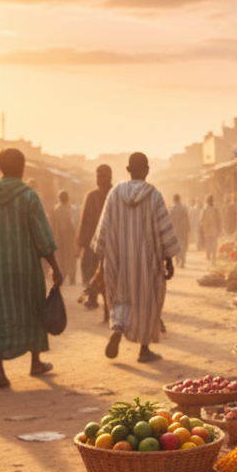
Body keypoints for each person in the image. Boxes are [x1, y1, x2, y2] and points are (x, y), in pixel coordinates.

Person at [0, 147, 63, 389]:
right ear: (22, 168)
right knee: (32, 310)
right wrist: (55, 267)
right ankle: (35, 362)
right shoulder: (29, 196)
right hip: (26, 268)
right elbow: (42, 235)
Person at [91, 151, 179, 364]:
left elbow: (104, 228)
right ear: (147, 170)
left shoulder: (114, 193)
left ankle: (118, 328)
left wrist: (101, 255)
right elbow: (164, 230)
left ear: (128, 170)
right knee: (147, 301)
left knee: (121, 297)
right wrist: (169, 260)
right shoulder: (154, 196)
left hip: (118, 259)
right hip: (147, 260)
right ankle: (144, 349)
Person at [77, 165, 112, 310]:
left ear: (109, 177)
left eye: (102, 176)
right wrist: (80, 243)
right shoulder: (91, 196)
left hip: (111, 244)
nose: (98, 179)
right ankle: (92, 298)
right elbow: (84, 220)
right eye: (97, 175)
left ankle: (109, 304)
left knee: (110, 275)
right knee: (90, 270)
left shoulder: (115, 194)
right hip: (92, 244)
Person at [50, 189, 78, 283]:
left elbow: (52, 224)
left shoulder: (56, 209)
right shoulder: (70, 209)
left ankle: (62, 275)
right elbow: (72, 224)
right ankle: (71, 277)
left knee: (61, 257)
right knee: (70, 257)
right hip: (68, 236)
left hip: (59, 237)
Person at [169, 193, 190, 268]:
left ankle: (177, 259)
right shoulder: (184, 209)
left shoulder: (172, 209)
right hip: (183, 230)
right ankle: (183, 261)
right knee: (183, 245)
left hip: (175, 231)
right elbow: (187, 220)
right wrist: (188, 229)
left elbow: (170, 221)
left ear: (174, 200)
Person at [199, 194, 221, 262]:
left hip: (207, 229)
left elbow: (201, 219)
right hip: (214, 228)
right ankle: (213, 255)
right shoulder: (215, 209)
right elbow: (219, 219)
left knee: (208, 242)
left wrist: (202, 227)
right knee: (214, 242)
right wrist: (219, 227)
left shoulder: (204, 209)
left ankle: (208, 255)